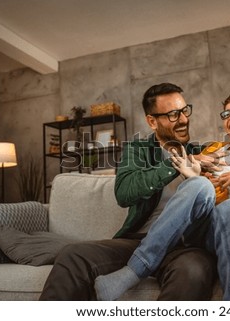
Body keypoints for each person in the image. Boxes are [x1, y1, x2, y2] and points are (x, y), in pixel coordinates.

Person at [94, 91, 230, 301]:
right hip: (204, 230)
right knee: (199, 185)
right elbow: (203, 193)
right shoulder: (214, 149)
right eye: (226, 114)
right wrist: (195, 176)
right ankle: (135, 269)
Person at [39, 83, 219, 300]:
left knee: (193, 271)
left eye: (184, 110)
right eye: (172, 114)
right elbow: (124, 193)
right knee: (73, 255)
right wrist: (175, 164)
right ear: (152, 121)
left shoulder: (202, 152)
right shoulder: (138, 150)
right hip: (138, 241)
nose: (183, 119)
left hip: (185, 247)